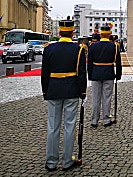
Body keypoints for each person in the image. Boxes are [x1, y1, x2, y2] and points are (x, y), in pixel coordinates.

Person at [41, 17, 87, 171]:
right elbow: (81, 74)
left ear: (60, 32)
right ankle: (67, 161)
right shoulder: (79, 49)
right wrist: (83, 91)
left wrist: (45, 90)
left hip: (53, 90)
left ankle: (51, 162)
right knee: (69, 126)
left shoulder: (49, 49)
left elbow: (45, 73)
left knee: (53, 126)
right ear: (72, 33)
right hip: (72, 90)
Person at [87, 24, 122, 127]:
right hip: (109, 74)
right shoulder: (114, 46)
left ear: (101, 34)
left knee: (95, 98)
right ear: (109, 34)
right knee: (107, 98)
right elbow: (118, 63)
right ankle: (106, 119)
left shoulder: (93, 46)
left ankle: (94, 120)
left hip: (96, 74)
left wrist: (90, 75)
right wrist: (118, 75)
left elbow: (89, 63)